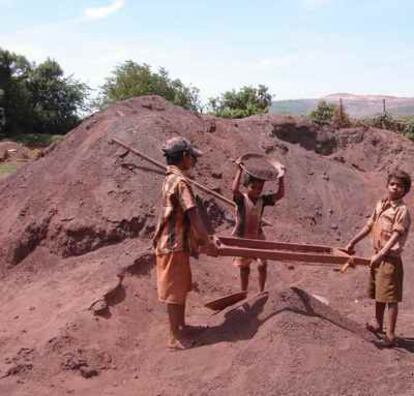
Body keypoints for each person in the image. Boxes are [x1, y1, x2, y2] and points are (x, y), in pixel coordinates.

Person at [153, 136, 217, 350]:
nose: (193, 161)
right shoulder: (180, 182)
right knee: (173, 292)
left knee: (179, 288)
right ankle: (174, 337)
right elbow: (192, 213)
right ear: (184, 157)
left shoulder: (169, 179)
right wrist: (207, 241)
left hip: (176, 243)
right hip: (172, 244)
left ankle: (181, 326)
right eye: (192, 157)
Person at [344, 169, 411, 347]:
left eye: (400, 186)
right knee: (379, 294)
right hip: (378, 256)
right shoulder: (381, 204)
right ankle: (378, 324)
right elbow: (369, 226)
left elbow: (396, 235)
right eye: (393, 184)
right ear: (387, 185)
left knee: (390, 297)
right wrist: (352, 242)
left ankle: (390, 334)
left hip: (389, 259)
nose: (395, 188)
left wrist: (381, 255)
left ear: (405, 191)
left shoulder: (402, 211)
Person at [231, 158, 285, 293]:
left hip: (258, 235)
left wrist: (282, 178)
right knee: (244, 267)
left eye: (260, 188)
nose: (257, 190)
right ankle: (243, 292)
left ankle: (261, 291)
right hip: (243, 237)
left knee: (262, 264)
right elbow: (234, 189)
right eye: (253, 187)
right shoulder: (241, 199)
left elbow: (280, 194)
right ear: (247, 186)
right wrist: (239, 170)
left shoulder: (263, 200)